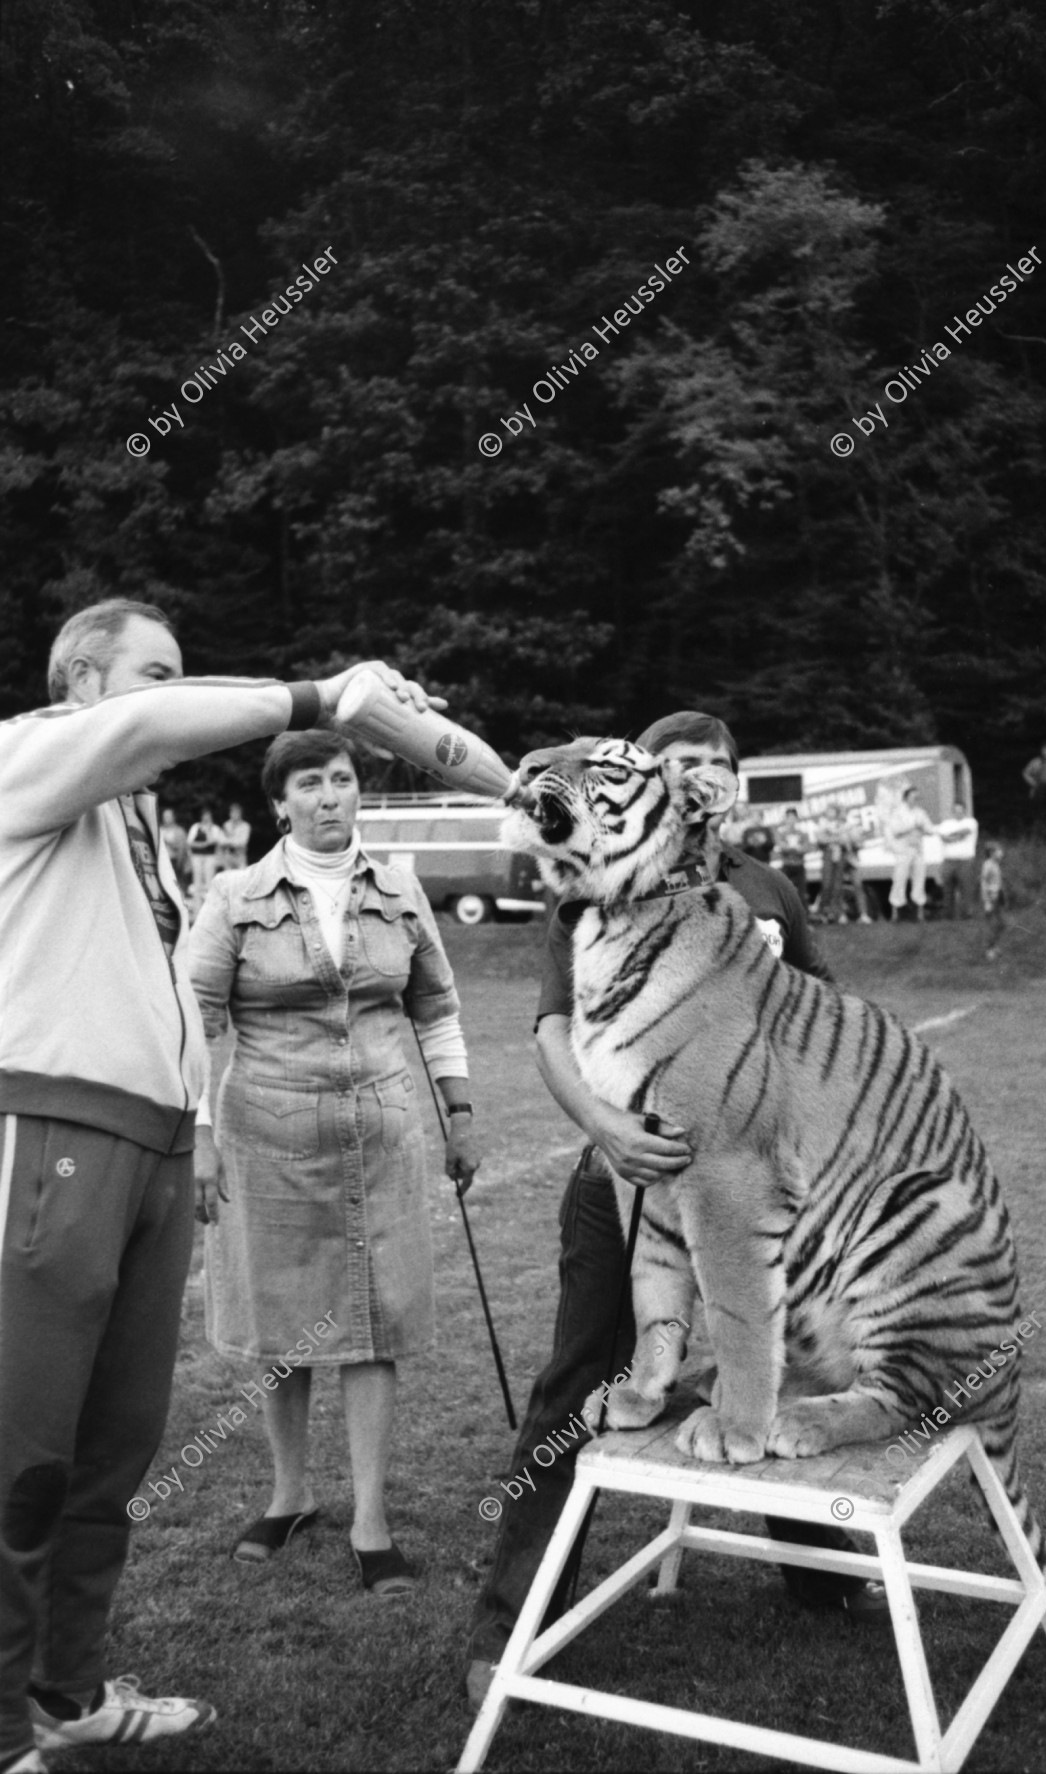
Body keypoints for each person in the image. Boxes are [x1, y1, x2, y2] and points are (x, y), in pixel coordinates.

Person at [0, 595, 436, 1772]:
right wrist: (322, 698)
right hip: (52, 1132)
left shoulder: (130, 833)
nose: (174, 695)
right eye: (152, 673)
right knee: (20, 1451)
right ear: (81, 680)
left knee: (113, 1451)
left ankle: (68, 1691)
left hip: (149, 1151)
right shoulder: (26, 757)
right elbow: (153, 735)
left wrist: (191, 1132)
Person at [465, 711, 883, 1712]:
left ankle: (821, 1574)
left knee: (778, 1368)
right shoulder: (602, 872)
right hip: (628, 1182)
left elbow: (817, 1019)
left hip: (759, 1184)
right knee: (576, 1388)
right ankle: (512, 1618)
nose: (706, 776)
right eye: (684, 763)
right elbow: (553, 1034)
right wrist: (608, 1130)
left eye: (722, 764)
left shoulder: (769, 886)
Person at [189, 732, 479, 1596]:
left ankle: (370, 1517)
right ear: (279, 801)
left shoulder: (400, 890)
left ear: (359, 794)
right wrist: (200, 1136)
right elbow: (196, 1020)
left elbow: (436, 1011)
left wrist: (459, 1112)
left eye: (342, 780)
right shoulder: (234, 895)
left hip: (383, 1138)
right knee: (283, 1327)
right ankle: (287, 1496)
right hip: (266, 1140)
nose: (328, 796)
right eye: (308, 783)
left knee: (372, 1321)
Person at [887, 786, 933, 921]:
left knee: (919, 879)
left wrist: (924, 828)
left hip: (917, 849)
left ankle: (919, 912)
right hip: (903, 850)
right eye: (913, 797)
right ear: (906, 798)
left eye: (917, 797)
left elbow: (929, 828)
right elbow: (895, 830)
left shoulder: (920, 812)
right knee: (899, 879)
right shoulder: (898, 813)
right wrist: (912, 826)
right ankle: (895, 912)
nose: (915, 800)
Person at [935, 800, 979, 919]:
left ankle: (966, 915)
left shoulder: (971, 822)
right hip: (948, 861)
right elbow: (943, 838)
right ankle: (948, 916)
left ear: (964, 811)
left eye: (961, 811)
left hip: (965, 861)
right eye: (956, 811)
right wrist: (954, 837)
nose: (958, 813)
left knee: (966, 889)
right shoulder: (946, 823)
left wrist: (951, 836)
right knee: (947, 890)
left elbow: (964, 832)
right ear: (953, 812)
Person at [814, 807, 852, 923]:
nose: (831, 814)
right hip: (828, 855)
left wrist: (832, 838)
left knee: (837, 885)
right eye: (829, 811)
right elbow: (821, 839)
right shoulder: (822, 824)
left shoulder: (842, 825)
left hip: (839, 855)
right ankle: (824, 911)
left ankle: (837, 912)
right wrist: (835, 838)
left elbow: (845, 840)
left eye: (833, 812)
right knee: (826, 884)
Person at [187, 806, 223, 913]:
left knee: (209, 883)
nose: (206, 818)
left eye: (208, 816)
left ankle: (210, 910)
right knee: (197, 883)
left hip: (210, 857)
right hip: (197, 857)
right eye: (204, 816)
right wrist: (203, 845)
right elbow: (190, 842)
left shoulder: (215, 828)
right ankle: (197, 910)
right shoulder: (195, 827)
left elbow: (214, 841)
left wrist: (208, 830)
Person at [776, 808, 809, 899]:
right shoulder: (781, 833)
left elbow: (805, 848)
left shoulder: (802, 834)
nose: (791, 821)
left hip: (799, 865)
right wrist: (796, 847)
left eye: (793, 818)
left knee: (801, 892)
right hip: (787, 865)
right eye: (789, 818)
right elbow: (782, 847)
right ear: (785, 819)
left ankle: (803, 912)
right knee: (786, 891)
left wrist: (791, 847)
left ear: (797, 819)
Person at [980, 842, 1006, 960]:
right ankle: (989, 949)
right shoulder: (988, 865)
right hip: (991, 897)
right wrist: (987, 901)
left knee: (1001, 923)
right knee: (992, 924)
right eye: (998, 851)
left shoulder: (996, 864)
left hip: (998, 896)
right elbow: (984, 882)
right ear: (991, 853)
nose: (1001, 853)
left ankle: (994, 945)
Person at [159, 805, 190, 894]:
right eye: (165, 816)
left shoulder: (179, 831)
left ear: (173, 817)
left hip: (175, 861)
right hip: (161, 861)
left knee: (177, 885)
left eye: (168, 816)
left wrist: (180, 863)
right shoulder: (160, 830)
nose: (166, 818)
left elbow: (182, 848)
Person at [216, 801, 251, 872]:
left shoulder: (246, 826)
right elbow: (221, 841)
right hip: (228, 855)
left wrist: (228, 841)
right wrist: (233, 841)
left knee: (241, 877)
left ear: (240, 813)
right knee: (228, 879)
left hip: (240, 855)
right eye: (232, 812)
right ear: (230, 813)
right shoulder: (226, 825)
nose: (234, 814)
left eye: (236, 812)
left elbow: (243, 842)